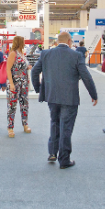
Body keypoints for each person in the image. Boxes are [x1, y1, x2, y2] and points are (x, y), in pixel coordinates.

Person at [32, 31, 98, 168]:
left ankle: (52, 152)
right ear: (69, 41)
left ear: (57, 41)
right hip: (69, 97)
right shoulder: (76, 55)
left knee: (54, 123)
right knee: (66, 127)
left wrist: (39, 89)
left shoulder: (46, 54)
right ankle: (64, 159)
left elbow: (34, 71)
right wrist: (93, 94)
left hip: (52, 96)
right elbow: (86, 76)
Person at [6, 35, 32, 137]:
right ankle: (10, 127)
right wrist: (11, 84)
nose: (25, 43)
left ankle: (25, 124)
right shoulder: (13, 54)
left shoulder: (22, 54)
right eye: (23, 41)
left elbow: (22, 66)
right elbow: (8, 69)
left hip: (24, 84)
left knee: (24, 104)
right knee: (12, 106)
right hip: (14, 83)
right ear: (20, 42)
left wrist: (28, 67)